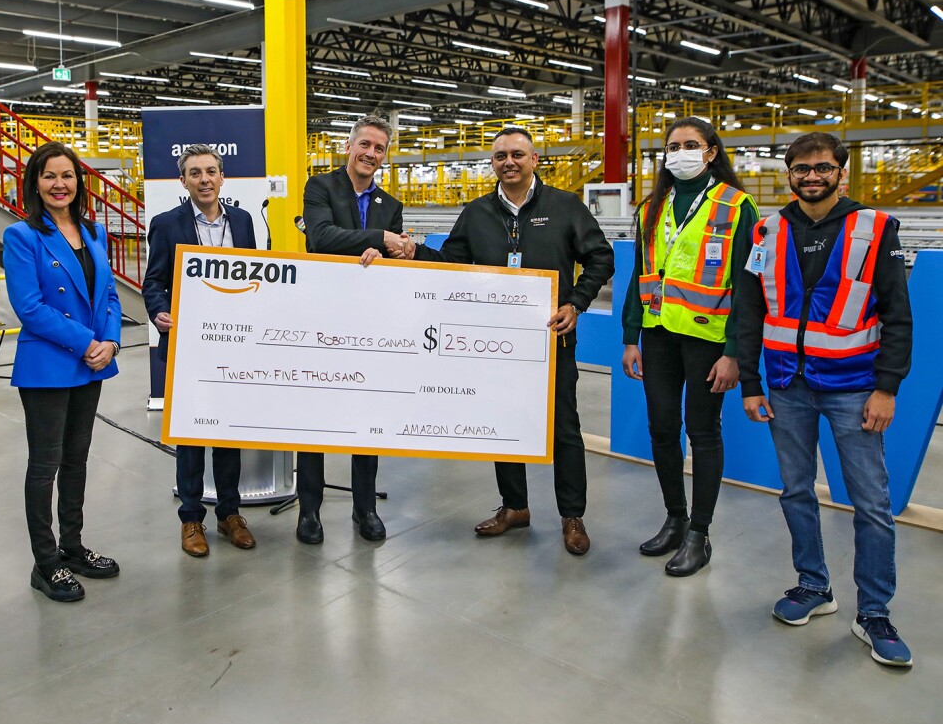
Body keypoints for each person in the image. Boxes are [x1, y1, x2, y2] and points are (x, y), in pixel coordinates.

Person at [735, 132, 913, 667]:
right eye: (802, 168)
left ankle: (874, 611)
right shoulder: (765, 230)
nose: (812, 176)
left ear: (841, 171)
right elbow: (748, 311)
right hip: (787, 385)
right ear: (788, 173)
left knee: (872, 506)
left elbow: (898, 316)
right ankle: (814, 585)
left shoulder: (876, 228)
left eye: (823, 167)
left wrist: (887, 388)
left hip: (855, 388)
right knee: (795, 491)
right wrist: (749, 382)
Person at [407, 127, 614, 555]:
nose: (509, 162)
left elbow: (600, 256)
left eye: (517, 154)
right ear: (493, 164)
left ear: (534, 159)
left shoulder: (565, 207)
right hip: (496, 347)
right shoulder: (478, 212)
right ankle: (515, 506)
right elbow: (452, 263)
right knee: (504, 426)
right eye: (500, 156)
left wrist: (576, 303)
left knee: (564, 431)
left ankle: (572, 516)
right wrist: (414, 252)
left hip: (550, 343)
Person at [620, 118, 758, 576]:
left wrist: (735, 351)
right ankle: (675, 520)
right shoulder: (650, 208)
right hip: (658, 336)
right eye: (673, 145)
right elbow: (640, 275)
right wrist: (630, 337)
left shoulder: (736, 206)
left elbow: (747, 284)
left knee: (703, 433)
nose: (680, 152)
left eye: (691, 145)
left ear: (711, 151)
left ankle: (700, 533)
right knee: (662, 428)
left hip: (708, 340)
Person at [3, 142, 123, 602]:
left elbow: (109, 295)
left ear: (79, 182)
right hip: (50, 366)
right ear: (35, 182)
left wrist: (110, 342)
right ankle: (46, 562)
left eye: (68, 176)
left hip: (92, 362)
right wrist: (87, 342)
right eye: (50, 176)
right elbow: (29, 307)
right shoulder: (23, 236)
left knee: (77, 459)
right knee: (45, 465)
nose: (60, 184)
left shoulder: (94, 231)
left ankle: (72, 547)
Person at [296, 115, 408, 545]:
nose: (371, 154)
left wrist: (393, 253)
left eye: (379, 148)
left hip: (368, 323)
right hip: (321, 319)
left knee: (367, 417)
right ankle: (310, 511)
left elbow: (392, 260)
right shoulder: (320, 187)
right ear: (349, 146)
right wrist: (379, 238)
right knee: (314, 418)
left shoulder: (390, 203)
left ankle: (366, 509)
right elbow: (321, 238)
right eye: (365, 144)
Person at [143, 144, 259, 557]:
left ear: (222, 177)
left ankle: (230, 513)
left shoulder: (243, 222)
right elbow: (153, 281)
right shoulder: (166, 224)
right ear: (184, 181)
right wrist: (159, 312)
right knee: (191, 437)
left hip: (233, 343)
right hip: (189, 345)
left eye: (211, 171)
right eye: (195, 173)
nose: (205, 179)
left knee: (228, 434)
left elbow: (254, 277)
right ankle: (191, 518)